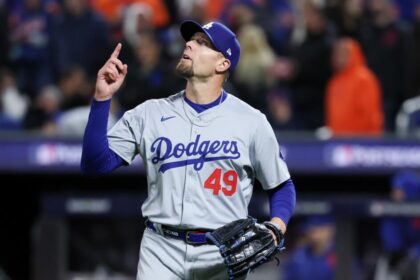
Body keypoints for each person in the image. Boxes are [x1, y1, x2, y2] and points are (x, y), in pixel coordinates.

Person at [81, 20, 296, 280]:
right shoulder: (149, 113)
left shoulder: (251, 121)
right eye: (191, 39)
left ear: (222, 64)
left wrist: (276, 226)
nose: (190, 44)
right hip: (160, 249)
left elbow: (281, 184)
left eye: (202, 43)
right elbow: (94, 165)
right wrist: (102, 98)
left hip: (222, 254)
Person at [325, 37, 384, 136]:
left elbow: (369, 115)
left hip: (361, 141)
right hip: (339, 141)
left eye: (343, 53)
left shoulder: (364, 78)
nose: (337, 57)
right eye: (336, 54)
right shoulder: (334, 81)